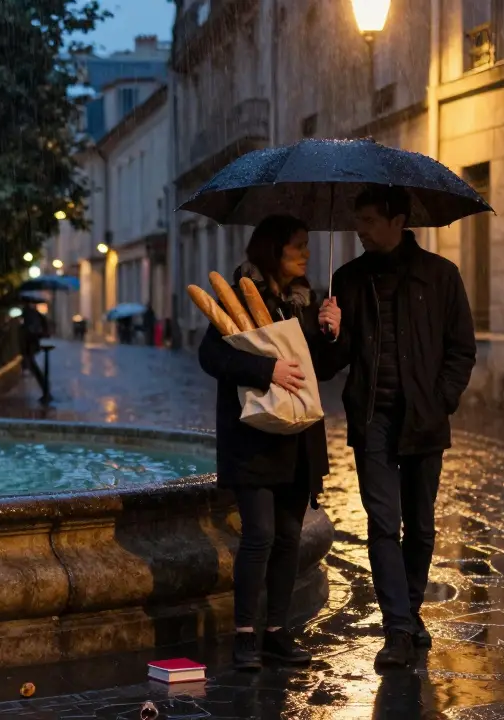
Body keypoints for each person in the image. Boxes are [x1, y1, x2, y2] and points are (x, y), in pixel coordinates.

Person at [316, 184, 477, 667]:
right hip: (373, 421)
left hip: (424, 421)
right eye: (357, 221)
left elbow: (462, 350)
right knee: (384, 525)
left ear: (397, 220)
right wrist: (329, 331)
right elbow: (330, 365)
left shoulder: (441, 276)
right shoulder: (346, 280)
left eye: (367, 221)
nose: (359, 230)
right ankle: (399, 628)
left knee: (422, 527)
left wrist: (442, 399)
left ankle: (408, 609)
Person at [198, 215, 341, 671]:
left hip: (299, 436)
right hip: (255, 437)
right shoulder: (241, 294)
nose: (306, 254)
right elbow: (211, 355)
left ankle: (277, 633)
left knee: (290, 536)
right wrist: (265, 371)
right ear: (273, 251)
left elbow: (323, 368)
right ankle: (245, 636)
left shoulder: (307, 301)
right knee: (259, 535)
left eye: (306, 245)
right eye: (298, 246)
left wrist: (332, 332)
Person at [20, 301, 51, 402]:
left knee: (33, 366)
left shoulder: (30, 313)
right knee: (33, 366)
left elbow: (34, 329)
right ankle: (45, 390)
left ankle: (46, 391)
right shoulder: (31, 313)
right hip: (30, 343)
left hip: (29, 343)